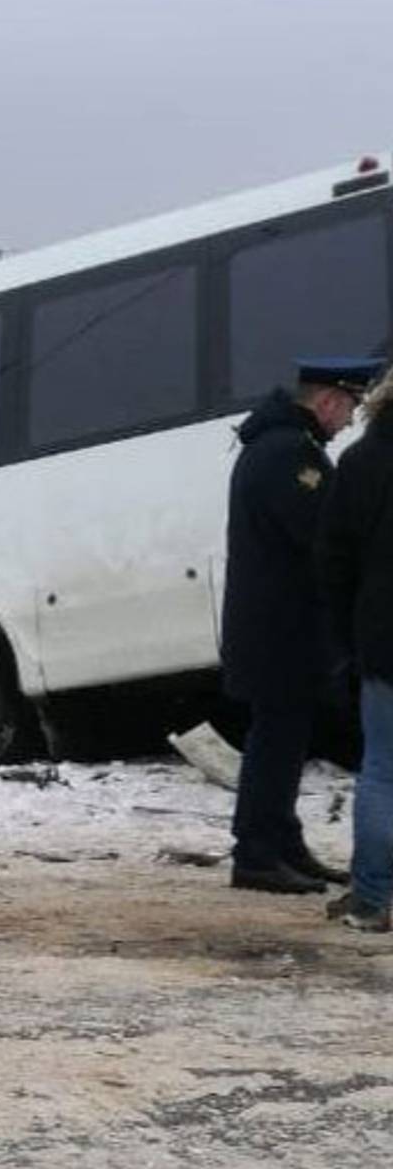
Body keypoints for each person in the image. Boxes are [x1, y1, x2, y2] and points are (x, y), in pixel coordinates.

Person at [221, 356, 383, 894]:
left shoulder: (281, 446)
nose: (349, 420)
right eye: (351, 407)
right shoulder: (291, 454)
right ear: (329, 399)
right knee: (275, 741)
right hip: (280, 630)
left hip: (277, 627)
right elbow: (319, 534)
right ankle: (258, 855)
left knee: (284, 740)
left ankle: (281, 844)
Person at [318, 365, 393, 932]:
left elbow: (335, 561)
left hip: (383, 636)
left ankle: (373, 898)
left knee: (383, 773)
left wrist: (346, 635)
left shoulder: (361, 461)